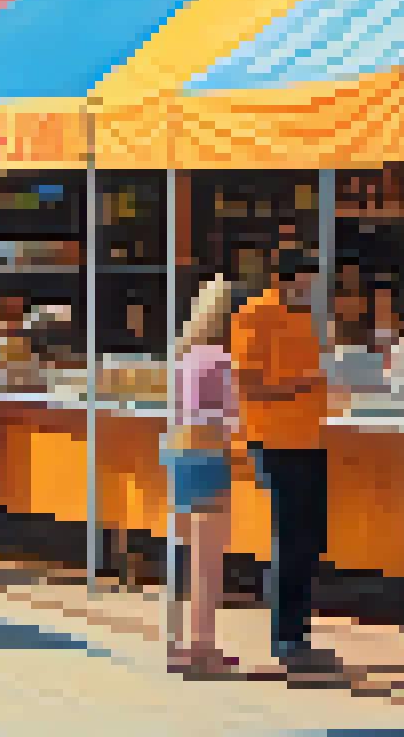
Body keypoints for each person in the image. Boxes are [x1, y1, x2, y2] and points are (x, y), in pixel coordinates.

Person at [230, 248, 338, 674]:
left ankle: (300, 632)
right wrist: (303, 385)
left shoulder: (306, 321)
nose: (311, 291)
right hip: (275, 439)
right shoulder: (256, 315)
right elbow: (249, 386)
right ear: (285, 279)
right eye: (306, 283)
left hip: (309, 437)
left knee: (309, 537)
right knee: (290, 537)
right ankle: (286, 636)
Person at [164, 275, 242, 676]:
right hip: (210, 454)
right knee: (209, 560)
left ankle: (182, 643)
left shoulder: (186, 355)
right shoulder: (222, 360)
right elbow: (230, 415)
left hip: (179, 454)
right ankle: (202, 648)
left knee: (188, 553)